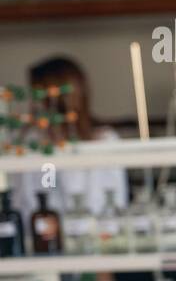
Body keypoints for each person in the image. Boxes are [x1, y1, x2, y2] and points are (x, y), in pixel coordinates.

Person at [13, 56, 128, 219]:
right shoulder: (34, 141)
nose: (34, 104)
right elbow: (35, 199)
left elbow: (109, 202)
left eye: (38, 95)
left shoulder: (105, 140)